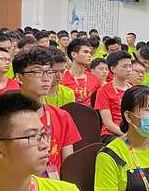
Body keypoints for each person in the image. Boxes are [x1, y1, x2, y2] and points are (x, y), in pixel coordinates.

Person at [14, 47, 81, 179]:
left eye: (49, 72)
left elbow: (69, 165)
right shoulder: (8, 119)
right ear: (19, 78)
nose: (46, 78)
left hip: (55, 187)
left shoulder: (62, 116)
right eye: (37, 72)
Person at [94, 51, 132, 142]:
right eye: (124, 66)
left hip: (131, 131)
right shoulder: (103, 91)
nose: (129, 69)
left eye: (130, 66)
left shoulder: (133, 89)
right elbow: (108, 123)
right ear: (113, 69)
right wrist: (126, 135)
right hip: (111, 134)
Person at [62, 38, 101, 105]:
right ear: (74, 54)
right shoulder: (62, 78)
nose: (89, 55)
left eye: (90, 53)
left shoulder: (95, 79)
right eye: (85, 52)